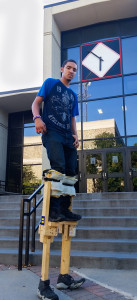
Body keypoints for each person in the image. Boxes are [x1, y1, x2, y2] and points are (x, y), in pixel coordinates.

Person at [32, 60, 85, 300]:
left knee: (72, 173)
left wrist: (76, 135)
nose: (72, 71)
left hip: (66, 135)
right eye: (69, 68)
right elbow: (36, 103)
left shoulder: (73, 95)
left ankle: (64, 209)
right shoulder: (51, 83)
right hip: (51, 131)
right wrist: (36, 118)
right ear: (62, 70)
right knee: (59, 168)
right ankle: (54, 210)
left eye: (75, 69)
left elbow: (73, 118)